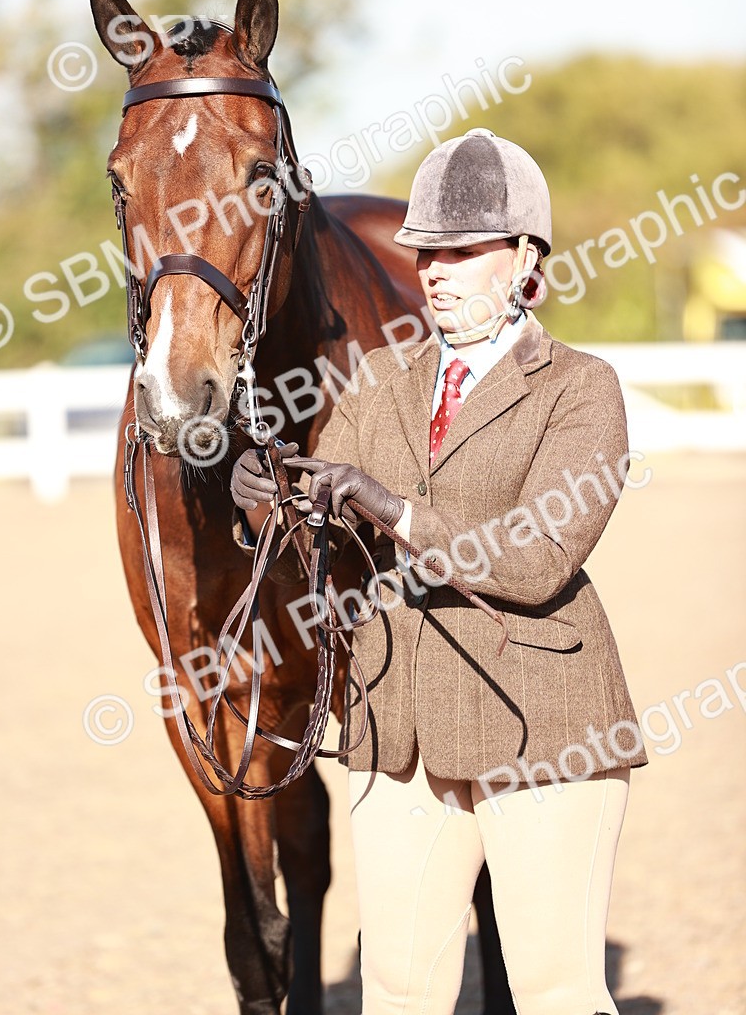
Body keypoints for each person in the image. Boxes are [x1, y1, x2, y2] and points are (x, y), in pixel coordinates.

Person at [231, 128, 648, 1015]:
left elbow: (538, 560)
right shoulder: (380, 379)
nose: (436, 273)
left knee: (555, 990)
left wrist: (392, 509)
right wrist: (267, 506)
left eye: (463, 253)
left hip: (544, 721)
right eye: (427, 254)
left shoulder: (582, 388)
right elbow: (327, 546)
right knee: (396, 989)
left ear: (527, 259)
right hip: (396, 726)